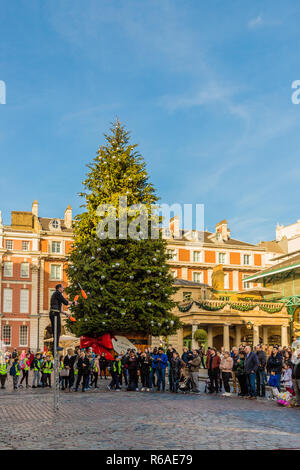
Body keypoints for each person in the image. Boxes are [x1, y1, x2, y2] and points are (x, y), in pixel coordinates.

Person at [49, 284, 75, 352]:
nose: (63, 289)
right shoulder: (58, 293)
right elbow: (65, 302)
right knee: (57, 330)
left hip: (55, 313)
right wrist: (73, 303)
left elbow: (59, 309)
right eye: (63, 288)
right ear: (59, 288)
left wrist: (66, 314)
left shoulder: (56, 295)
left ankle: (55, 346)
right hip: (55, 314)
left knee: (57, 330)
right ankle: (55, 346)